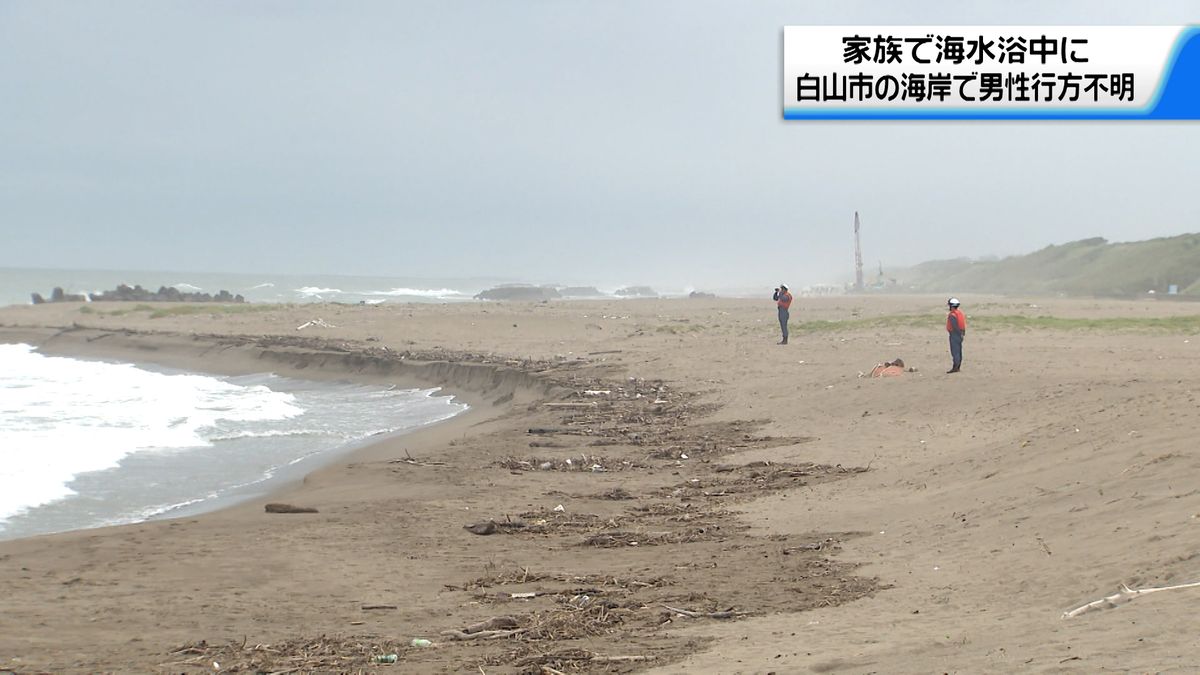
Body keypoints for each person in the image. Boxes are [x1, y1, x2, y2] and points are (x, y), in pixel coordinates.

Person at [946, 297, 966, 373]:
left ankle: (955, 367)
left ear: (951, 306)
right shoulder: (960, 313)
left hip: (954, 335)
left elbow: (955, 326)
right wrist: (962, 334)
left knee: (955, 351)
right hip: (960, 334)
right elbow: (962, 325)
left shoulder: (952, 315)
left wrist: (958, 334)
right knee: (959, 351)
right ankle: (958, 366)